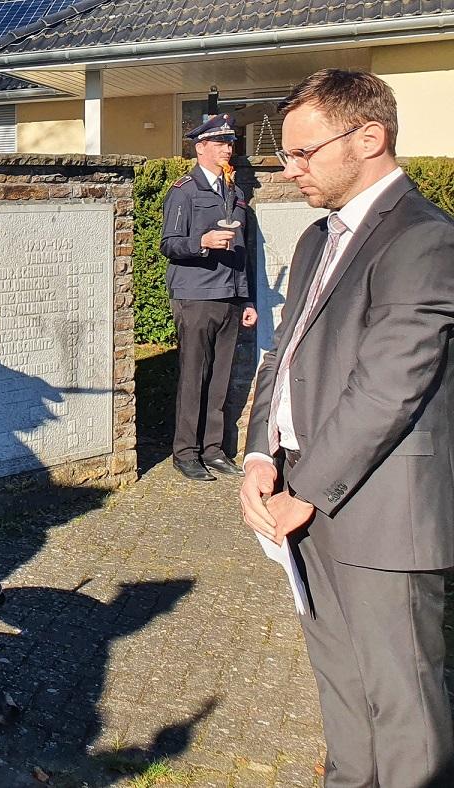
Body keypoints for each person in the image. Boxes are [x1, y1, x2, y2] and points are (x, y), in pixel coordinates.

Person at [240, 69, 454, 785]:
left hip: (383, 513)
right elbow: (284, 353)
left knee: (404, 711)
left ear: (370, 137)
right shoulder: (313, 241)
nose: (287, 168)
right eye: (286, 154)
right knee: (342, 691)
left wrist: (310, 487)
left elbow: (391, 384)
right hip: (304, 495)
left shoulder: (425, 242)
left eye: (304, 152)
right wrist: (257, 455)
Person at [160, 114, 258, 482]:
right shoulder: (184, 190)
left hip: (230, 294)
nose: (227, 149)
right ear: (200, 147)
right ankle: (185, 452)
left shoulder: (235, 191)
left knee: (221, 377)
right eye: (220, 143)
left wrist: (247, 300)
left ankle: (214, 450)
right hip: (197, 294)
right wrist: (201, 243)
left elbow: (244, 249)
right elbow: (168, 244)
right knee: (193, 377)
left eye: (230, 143)